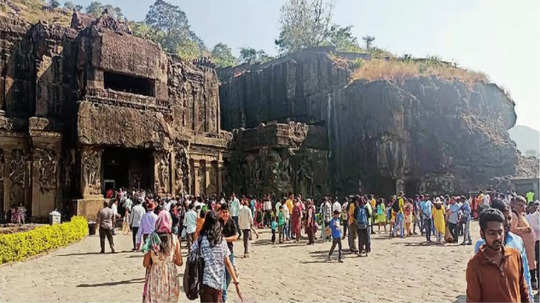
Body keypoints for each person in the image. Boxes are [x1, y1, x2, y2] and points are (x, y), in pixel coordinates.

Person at [466, 208, 530, 303]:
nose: (498, 237)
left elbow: (523, 290)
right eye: (492, 233)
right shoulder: (475, 265)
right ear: (482, 234)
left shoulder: (514, 255)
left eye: (500, 232)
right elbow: (473, 300)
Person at [191, 211, 240, 303]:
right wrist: (236, 282)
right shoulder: (222, 240)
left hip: (205, 282)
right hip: (219, 283)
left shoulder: (201, 240)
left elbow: (192, 252)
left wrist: (197, 233)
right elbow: (228, 263)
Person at [142, 210, 182, 303]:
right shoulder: (174, 238)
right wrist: (170, 259)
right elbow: (180, 262)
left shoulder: (151, 238)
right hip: (170, 276)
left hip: (155, 275)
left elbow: (145, 263)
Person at [510, 197, 536, 290]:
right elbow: (512, 230)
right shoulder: (514, 215)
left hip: (528, 245)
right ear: (514, 205)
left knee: (530, 263)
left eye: (523, 205)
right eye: (520, 205)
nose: (523, 207)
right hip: (522, 245)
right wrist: (526, 229)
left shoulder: (521, 215)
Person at [218, 203, 240, 302]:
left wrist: (225, 239)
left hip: (229, 252)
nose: (225, 214)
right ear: (220, 213)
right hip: (219, 253)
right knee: (222, 276)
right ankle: (223, 297)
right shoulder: (217, 222)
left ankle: (223, 291)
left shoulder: (232, 222)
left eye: (227, 212)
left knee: (228, 276)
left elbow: (236, 236)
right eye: (223, 212)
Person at [526, 201, 539, 289]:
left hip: (536, 241)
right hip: (531, 241)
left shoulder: (537, 215)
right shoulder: (526, 217)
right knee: (530, 261)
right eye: (533, 206)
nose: (534, 208)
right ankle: (532, 280)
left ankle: (534, 280)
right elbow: (534, 226)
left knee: (536, 262)